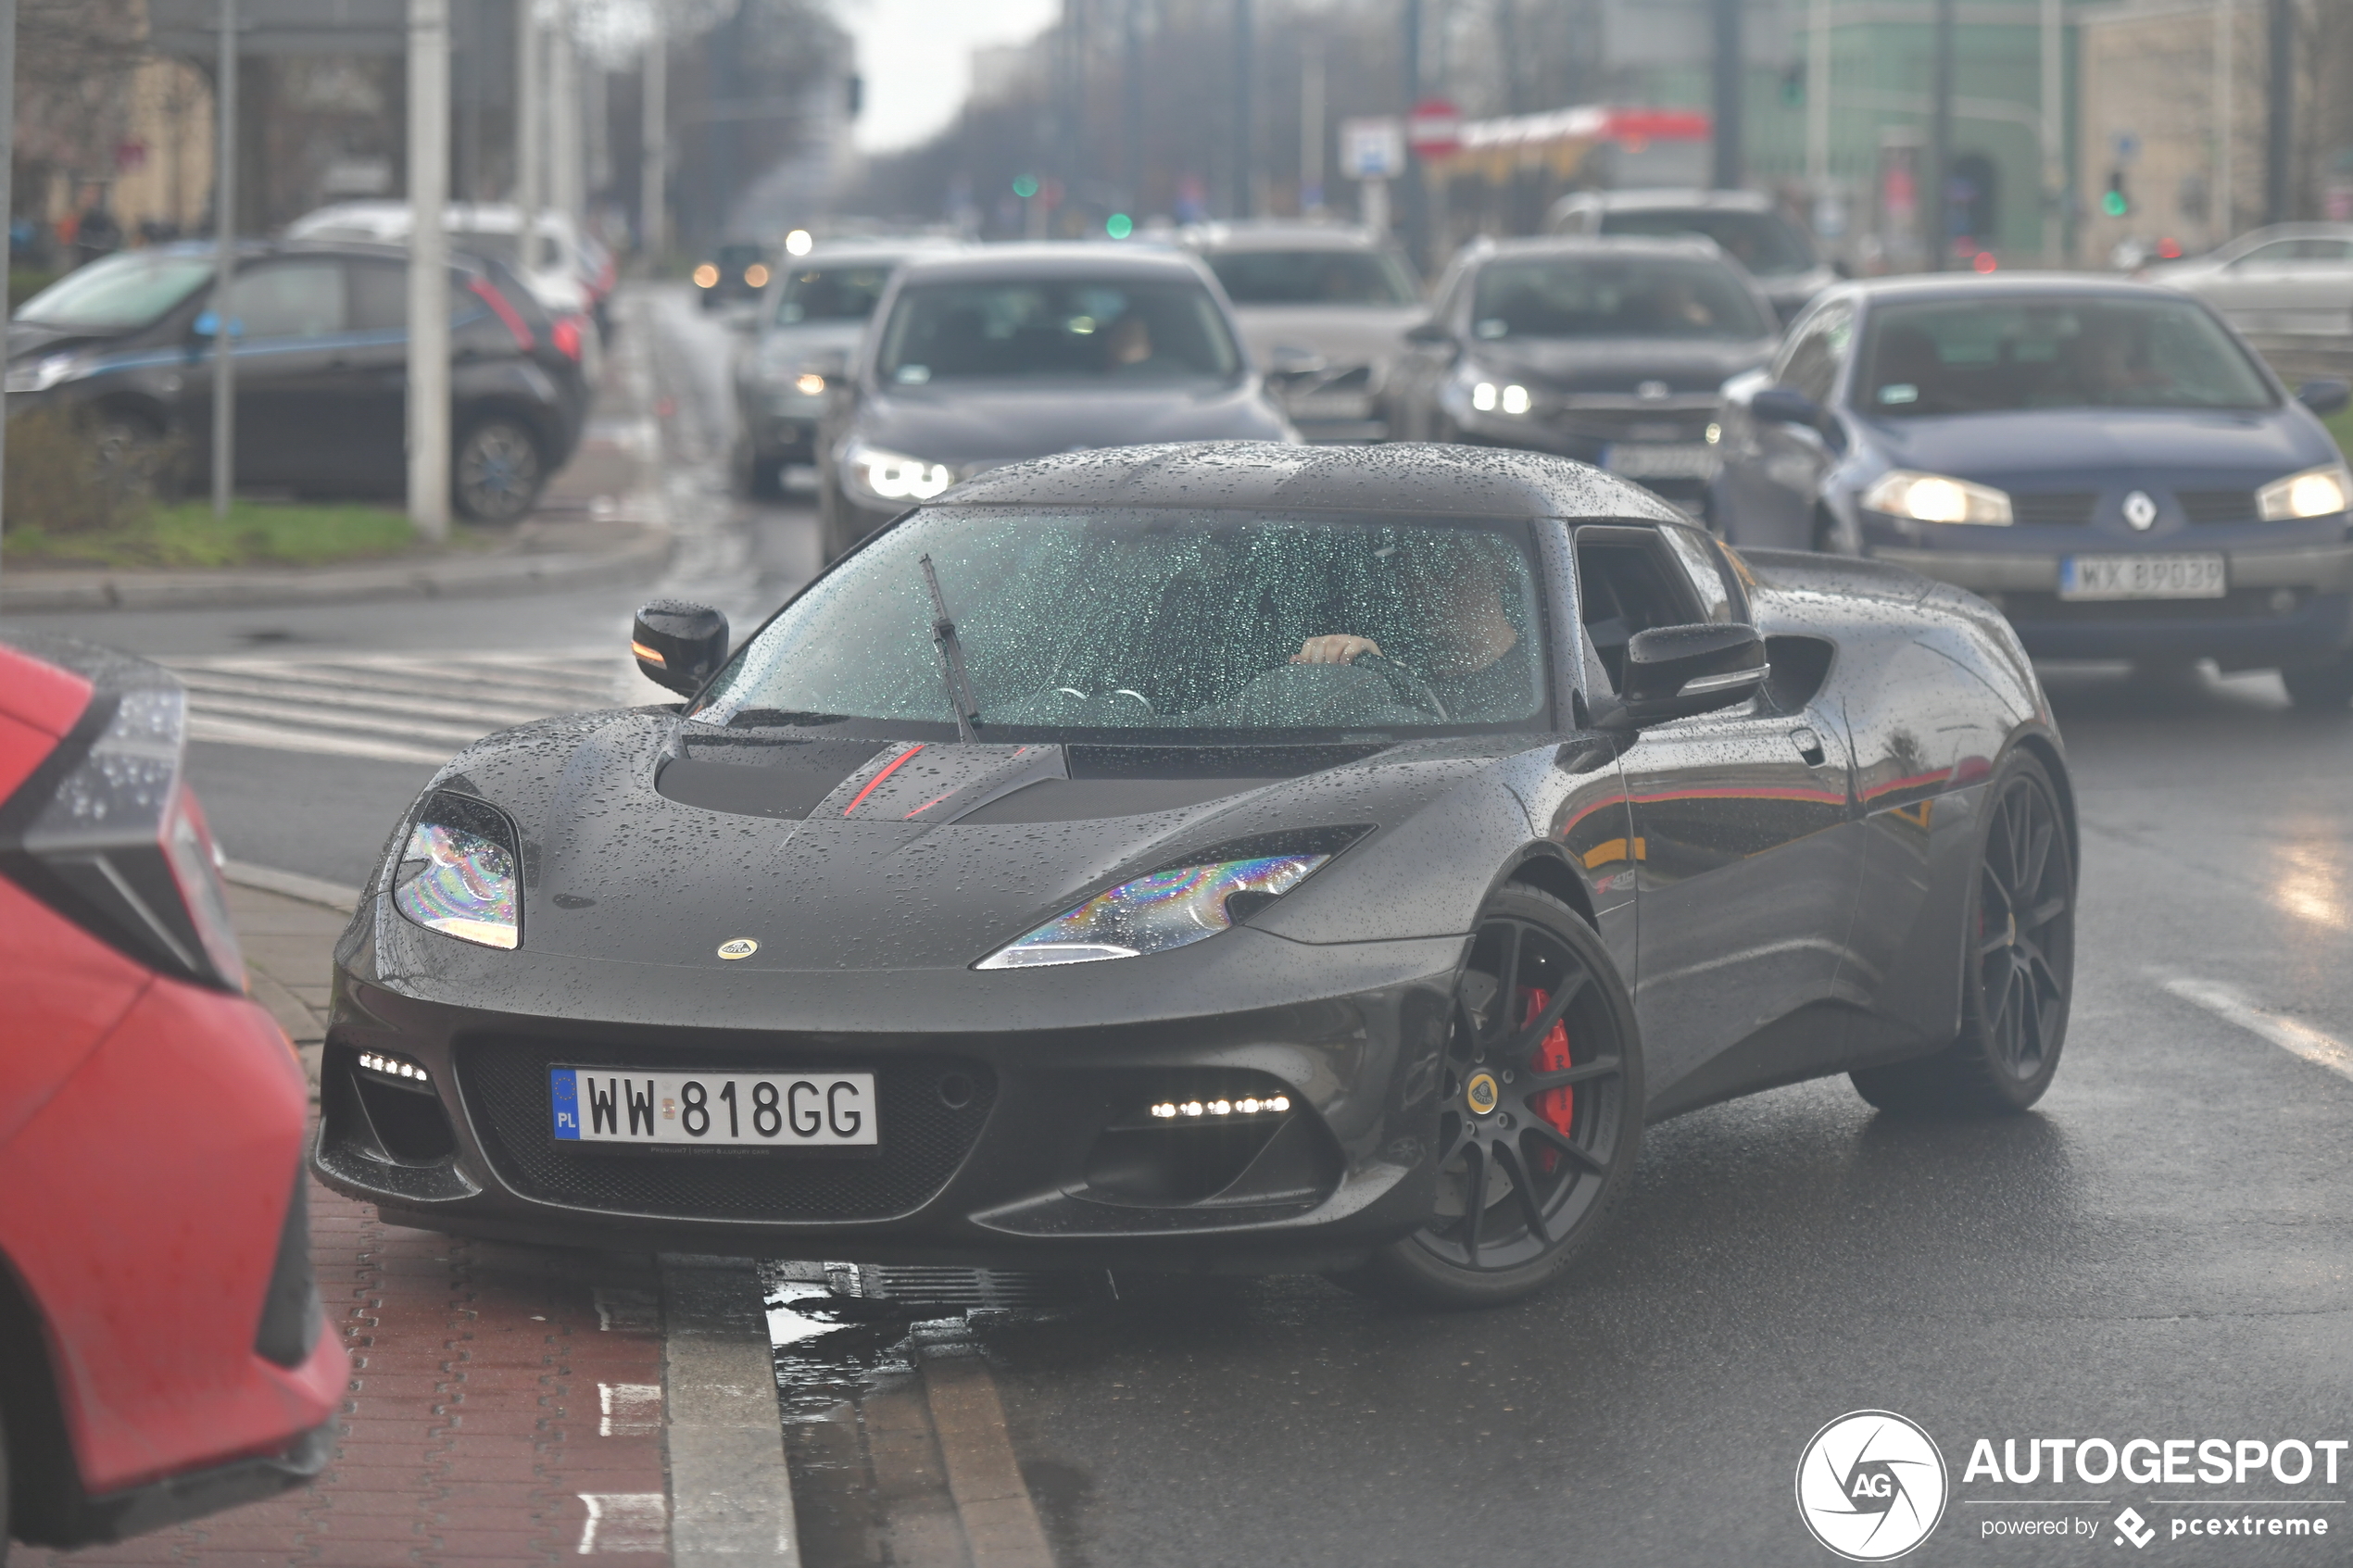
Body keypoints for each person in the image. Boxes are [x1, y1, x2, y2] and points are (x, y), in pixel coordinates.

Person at [1289, 537, 1539, 720]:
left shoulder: (1542, 685)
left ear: (1496, 570)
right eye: (1406, 569)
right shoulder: (1395, 665)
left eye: (1443, 566)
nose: (1419, 585)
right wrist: (1370, 670)